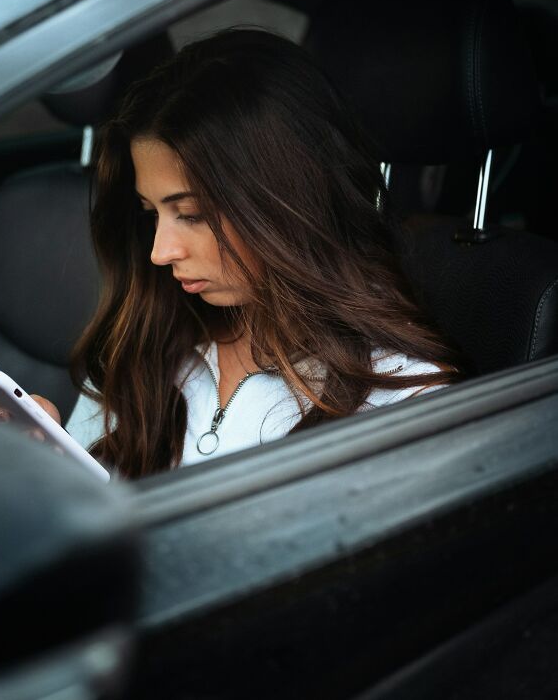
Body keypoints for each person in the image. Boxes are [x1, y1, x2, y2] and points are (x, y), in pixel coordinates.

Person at [31, 28, 461, 479]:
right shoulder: (147, 339)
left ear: (286, 202)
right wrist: (43, 472)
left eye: (192, 214)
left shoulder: (403, 399)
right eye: (150, 214)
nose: (160, 252)